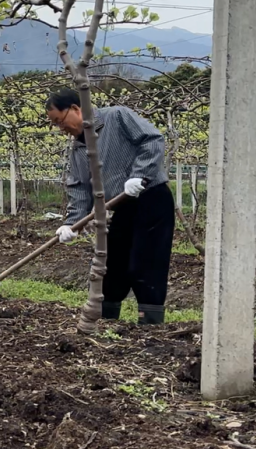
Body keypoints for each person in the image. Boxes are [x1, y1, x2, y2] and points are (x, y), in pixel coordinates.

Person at [45, 89, 175, 325]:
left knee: (146, 264)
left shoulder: (117, 116)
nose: (60, 128)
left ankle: (150, 325)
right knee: (112, 266)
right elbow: (79, 187)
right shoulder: (78, 148)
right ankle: (106, 322)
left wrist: (140, 175)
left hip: (151, 198)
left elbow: (152, 139)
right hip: (122, 206)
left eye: (59, 120)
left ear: (75, 108)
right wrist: (71, 223)